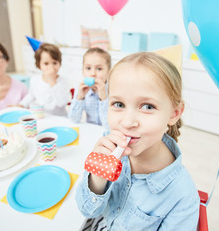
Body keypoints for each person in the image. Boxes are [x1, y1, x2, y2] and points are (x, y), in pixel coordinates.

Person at [76, 52, 199, 230]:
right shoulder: (109, 147)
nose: (127, 122)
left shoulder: (182, 196)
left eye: (148, 107)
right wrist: (98, 175)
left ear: (174, 113)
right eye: (118, 104)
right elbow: (88, 210)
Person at [19, 43, 70, 116]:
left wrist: (53, 81)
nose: (51, 67)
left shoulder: (63, 82)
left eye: (55, 63)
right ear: (39, 64)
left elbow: (61, 103)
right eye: (46, 63)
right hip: (43, 116)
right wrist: (21, 104)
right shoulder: (35, 80)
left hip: (60, 118)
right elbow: (31, 95)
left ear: (60, 63)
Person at [68, 47, 111, 131]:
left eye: (99, 69)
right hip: (90, 131)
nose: (93, 73)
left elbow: (109, 126)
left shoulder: (113, 91)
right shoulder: (80, 90)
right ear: (83, 71)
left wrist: (104, 98)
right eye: (88, 68)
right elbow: (74, 119)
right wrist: (80, 98)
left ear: (108, 72)